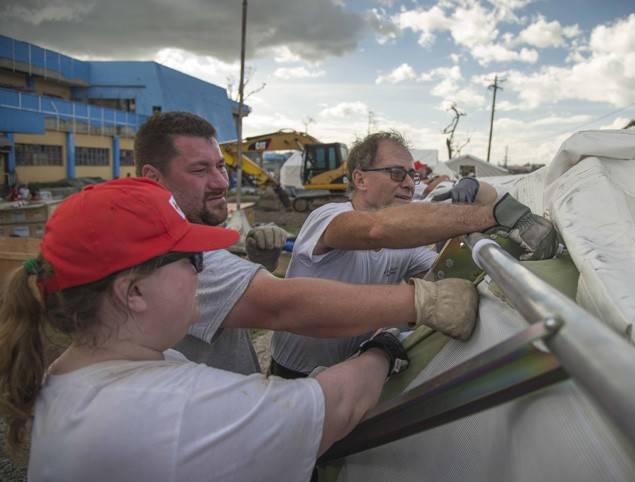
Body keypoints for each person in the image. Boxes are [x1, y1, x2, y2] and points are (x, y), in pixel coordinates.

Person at [0, 178, 410, 481]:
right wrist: (383, 348)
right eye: (193, 259)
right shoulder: (174, 406)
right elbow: (336, 407)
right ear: (134, 291)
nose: (203, 270)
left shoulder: (73, 372)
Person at [134, 112, 478, 374]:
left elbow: (224, 308)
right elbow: (281, 306)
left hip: (241, 402)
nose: (221, 181)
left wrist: (261, 264)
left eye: (221, 167)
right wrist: (415, 306)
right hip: (247, 409)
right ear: (359, 178)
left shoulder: (193, 241)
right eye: (199, 170)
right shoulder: (171, 258)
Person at [270, 131, 558, 377]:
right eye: (397, 173)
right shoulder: (328, 217)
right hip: (293, 374)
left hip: (347, 372)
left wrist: (474, 188)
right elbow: (376, 230)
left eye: (413, 174)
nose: (409, 184)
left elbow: (448, 270)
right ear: (360, 179)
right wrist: (491, 215)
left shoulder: (406, 248)